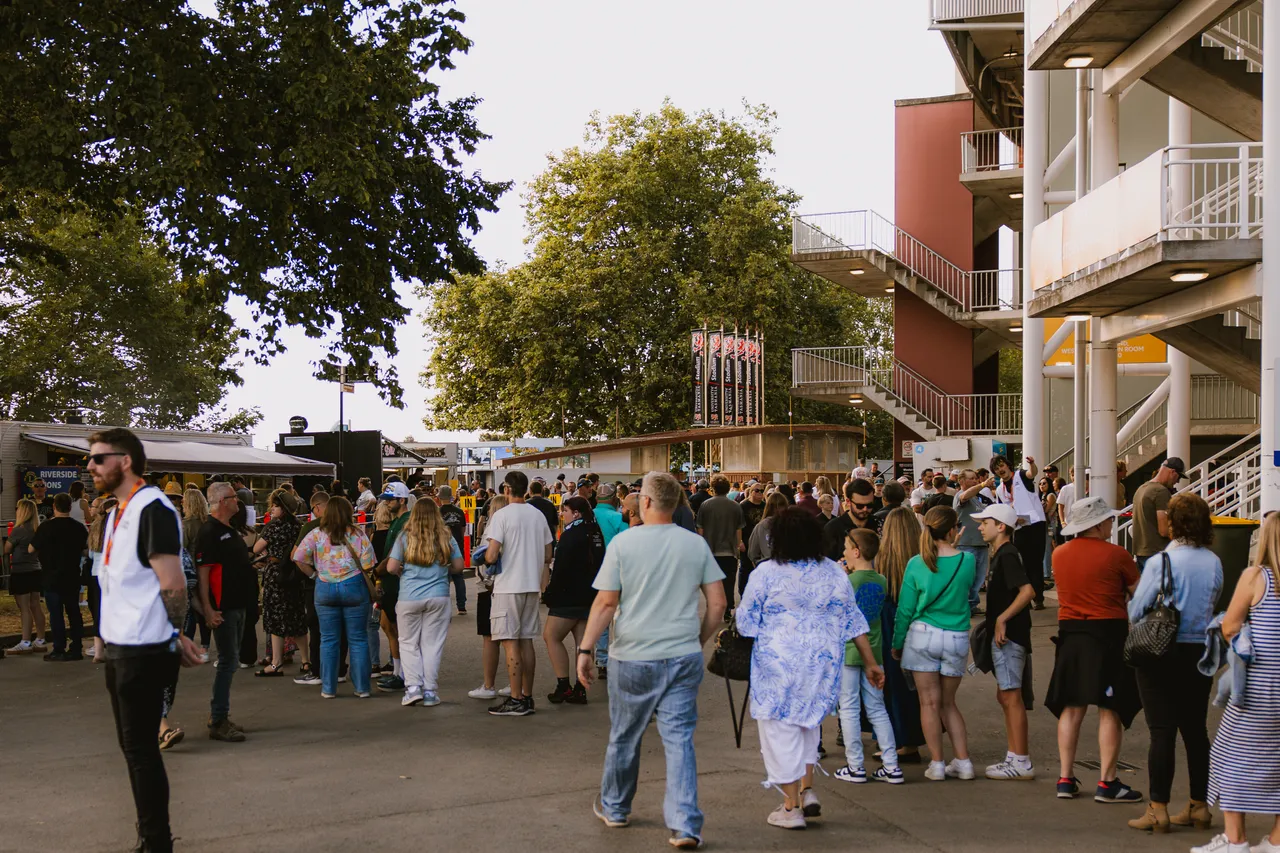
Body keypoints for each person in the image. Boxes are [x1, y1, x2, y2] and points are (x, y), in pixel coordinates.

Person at [576, 472, 726, 849]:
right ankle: (685, 824)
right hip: (682, 654)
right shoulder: (695, 545)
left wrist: (586, 649)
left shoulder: (624, 544)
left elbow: (607, 603)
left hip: (633, 656)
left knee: (625, 735)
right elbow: (718, 605)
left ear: (644, 502)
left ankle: (615, 808)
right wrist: (698, 639)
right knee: (679, 740)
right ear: (677, 503)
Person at [89, 428, 203, 853]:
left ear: (126, 461)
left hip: (144, 648)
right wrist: (102, 637)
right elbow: (117, 584)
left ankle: (156, 842)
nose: (90, 466)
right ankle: (152, 837)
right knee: (132, 748)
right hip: (120, 646)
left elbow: (172, 584)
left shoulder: (151, 506)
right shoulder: (120, 510)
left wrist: (175, 635)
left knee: (141, 752)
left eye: (99, 458)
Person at [738, 508, 881, 829]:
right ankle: (807, 791)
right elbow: (853, 620)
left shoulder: (765, 573)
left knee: (780, 733)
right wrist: (871, 663)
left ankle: (791, 808)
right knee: (807, 727)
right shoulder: (832, 572)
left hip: (777, 667)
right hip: (821, 665)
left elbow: (746, 623)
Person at [1126, 493, 1222, 833]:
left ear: (1173, 523)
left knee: (1161, 731)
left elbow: (1136, 610)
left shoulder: (1160, 563)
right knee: (1196, 731)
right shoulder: (1213, 561)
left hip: (1161, 653)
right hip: (1200, 651)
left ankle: (1158, 808)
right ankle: (1199, 806)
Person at [1045, 496, 1144, 804]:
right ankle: (1108, 782)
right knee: (1109, 709)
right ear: (1098, 523)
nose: (1112, 524)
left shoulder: (1059, 554)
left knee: (1071, 707)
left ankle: (1065, 778)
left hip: (1071, 635)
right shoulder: (1117, 555)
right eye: (1109, 520)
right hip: (1109, 635)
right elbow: (1137, 594)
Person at [1200, 513, 1280, 853]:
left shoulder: (1255, 576)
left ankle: (1235, 841)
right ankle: (1276, 842)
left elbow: (1230, 625)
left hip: (1260, 687)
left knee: (1229, 755)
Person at [891, 506, 976, 782]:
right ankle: (963, 761)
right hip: (956, 637)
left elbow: (905, 609)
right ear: (953, 530)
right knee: (948, 703)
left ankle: (937, 764)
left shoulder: (917, 563)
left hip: (922, 634)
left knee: (928, 702)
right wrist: (956, 546)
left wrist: (897, 642)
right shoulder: (968, 561)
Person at [479, 470, 554, 716]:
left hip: (508, 585)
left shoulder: (501, 516)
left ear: (507, 489)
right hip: (531, 586)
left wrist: (488, 557)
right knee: (526, 641)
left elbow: (491, 554)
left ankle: (515, 698)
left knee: (509, 642)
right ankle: (527, 696)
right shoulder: (538, 515)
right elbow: (548, 553)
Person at [834, 528, 902, 786]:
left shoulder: (847, 582)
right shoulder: (881, 580)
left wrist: (841, 576)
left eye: (845, 547)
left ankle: (855, 765)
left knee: (849, 707)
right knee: (877, 707)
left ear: (855, 551)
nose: (842, 552)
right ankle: (891, 764)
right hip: (874, 650)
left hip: (849, 651)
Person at [972, 503, 1036, 780]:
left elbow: (1027, 591)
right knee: (1007, 695)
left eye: (984, 522)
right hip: (1008, 635)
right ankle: (1014, 756)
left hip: (1010, 636)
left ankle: (1021, 760)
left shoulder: (1007, 554)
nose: (979, 526)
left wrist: (1001, 619)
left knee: (1011, 696)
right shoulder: (1002, 553)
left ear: (1001, 526)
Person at [292, 496, 376, 698]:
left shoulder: (316, 534)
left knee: (328, 639)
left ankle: (328, 688)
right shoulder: (358, 535)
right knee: (358, 639)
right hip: (354, 587)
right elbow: (368, 564)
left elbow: (298, 557)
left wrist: (314, 575)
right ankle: (362, 688)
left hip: (325, 588)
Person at [385, 498, 463, 707]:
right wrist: (443, 571)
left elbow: (391, 567)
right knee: (432, 645)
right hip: (439, 596)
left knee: (408, 643)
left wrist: (403, 571)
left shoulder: (405, 536)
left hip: (409, 597)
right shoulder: (446, 536)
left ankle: (412, 688)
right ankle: (429, 691)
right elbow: (459, 565)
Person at [193, 482, 255, 741]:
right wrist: (208, 609)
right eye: (232, 498)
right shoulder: (209, 532)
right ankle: (218, 718)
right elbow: (203, 573)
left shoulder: (228, 529)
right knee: (228, 661)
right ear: (220, 502)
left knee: (231, 660)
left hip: (237, 603)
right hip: (224, 607)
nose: (238, 502)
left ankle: (220, 715)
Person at [542, 496, 605, 704]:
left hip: (568, 597)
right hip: (591, 595)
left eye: (565, 510)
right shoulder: (595, 531)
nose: (562, 514)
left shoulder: (570, 535)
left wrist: (550, 591)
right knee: (582, 643)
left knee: (551, 636)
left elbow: (561, 568)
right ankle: (580, 687)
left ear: (575, 513)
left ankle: (563, 685)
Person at [253, 491, 309, 677]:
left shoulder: (272, 527)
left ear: (282, 509)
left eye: (275, 506)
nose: (272, 509)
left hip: (276, 574)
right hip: (295, 574)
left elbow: (256, 548)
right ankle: (306, 661)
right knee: (297, 617)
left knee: (275, 618)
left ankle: (276, 663)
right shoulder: (299, 527)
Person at [31, 492, 90, 661]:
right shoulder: (79, 527)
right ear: (70, 507)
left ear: (54, 507)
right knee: (74, 612)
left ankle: (59, 648)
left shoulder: (46, 527)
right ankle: (76, 647)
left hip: (51, 576)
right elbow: (85, 550)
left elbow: (31, 549)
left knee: (56, 614)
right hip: (71, 575)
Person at [992, 454, 1047, 609]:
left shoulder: (1021, 475)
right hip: (1019, 527)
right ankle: (1026, 596)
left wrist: (1032, 464)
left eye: (1001, 466)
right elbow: (1004, 509)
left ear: (1008, 465)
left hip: (1036, 523)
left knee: (1036, 561)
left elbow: (1032, 473)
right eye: (996, 469)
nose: (1000, 470)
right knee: (1022, 563)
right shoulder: (999, 489)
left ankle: (1038, 597)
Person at [468, 494, 510, 700]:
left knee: (490, 638)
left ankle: (488, 684)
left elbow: (485, 559)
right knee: (515, 638)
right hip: (512, 587)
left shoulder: (492, 531)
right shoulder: (517, 529)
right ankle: (515, 682)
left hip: (490, 588)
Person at [696, 474, 745, 613]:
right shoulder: (735, 506)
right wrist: (737, 546)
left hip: (711, 550)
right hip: (729, 550)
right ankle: (728, 607)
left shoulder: (705, 505)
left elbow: (700, 528)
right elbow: (738, 528)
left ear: (713, 488)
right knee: (729, 582)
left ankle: (712, 606)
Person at [4, 499, 48, 654]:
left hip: (21, 571)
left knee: (24, 607)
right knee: (35, 605)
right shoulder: (38, 529)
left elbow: (6, 549)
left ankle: (25, 641)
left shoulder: (18, 530)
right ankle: (41, 639)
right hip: (36, 569)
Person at [1131, 457, 1187, 569]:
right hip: (1157, 553)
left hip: (1140, 552)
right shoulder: (1161, 492)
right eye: (1179, 477)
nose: (1178, 481)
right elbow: (1164, 530)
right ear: (1172, 472)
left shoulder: (1141, 488)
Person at [953, 469, 993, 616]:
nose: (975, 481)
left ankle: (972, 604)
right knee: (967, 577)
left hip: (980, 543)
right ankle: (965, 606)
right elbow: (964, 495)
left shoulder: (977, 499)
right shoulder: (960, 496)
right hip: (966, 543)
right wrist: (983, 484)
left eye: (977, 478)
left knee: (979, 577)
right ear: (962, 481)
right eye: (972, 479)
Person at [181, 489, 212, 662]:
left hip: (190, 571)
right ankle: (205, 646)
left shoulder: (186, 525)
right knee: (202, 608)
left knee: (191, 611)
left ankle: (189, 646)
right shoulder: (208, 523)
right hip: (207, 570)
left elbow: (180, 548)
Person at [436, 485, 470, 616]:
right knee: (459, 577)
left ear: (439, 497)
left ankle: (444, 607)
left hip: (442, 547)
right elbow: (462, 530)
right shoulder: (460, 511)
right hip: (457, 546)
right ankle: (462, 606)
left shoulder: (438, 512)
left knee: (443, 577)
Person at [824, 478, 876, 561]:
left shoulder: (879, 524)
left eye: (870, 505)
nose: (865, 509)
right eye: (860, 506)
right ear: (848, 502)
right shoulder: (832, 528)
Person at [747, 491, 791, 566]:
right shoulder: (792, 524)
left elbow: (752, 553)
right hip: (789, 566)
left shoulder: (760, 526)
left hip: (768, 565)